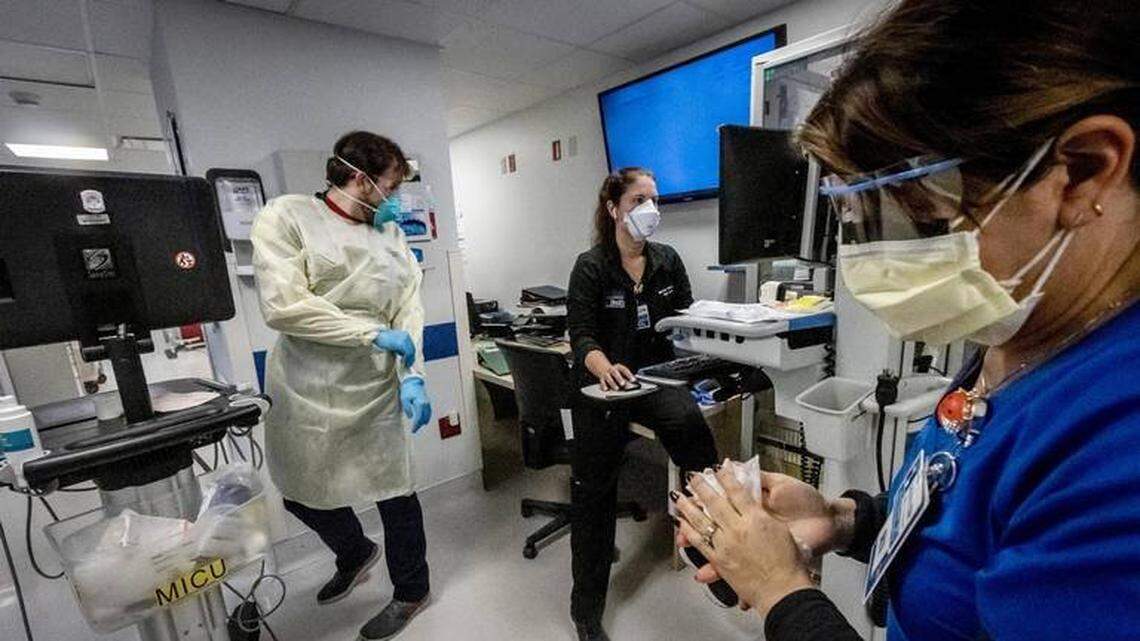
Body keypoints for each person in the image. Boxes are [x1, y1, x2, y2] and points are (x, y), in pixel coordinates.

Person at [672, 2, 1140, 640]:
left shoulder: (1117, 454)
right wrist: (846, 520)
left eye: (917, 211)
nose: (881, 258)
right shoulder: (1024, 334)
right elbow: (957, 513)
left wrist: (781, 593)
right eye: (859, 218)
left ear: (1085, 169)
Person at [251, 131, 434, 640]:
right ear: (360, 178)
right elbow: (285, 306)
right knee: (299, 489)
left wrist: (413, 374)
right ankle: (355, 553)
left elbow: (408, 306)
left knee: (396, 493)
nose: (393, 200)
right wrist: (371, 332)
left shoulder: (390, 235)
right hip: (308, 383)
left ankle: (411, 591)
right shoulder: (286, 217)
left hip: (375, 383)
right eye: (390, 187)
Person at [566, 167, 721, 641]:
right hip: (603, 385)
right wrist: (603, 365)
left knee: (701, 453)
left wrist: (711, 338)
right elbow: (582, 335)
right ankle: (585, 610)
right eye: (639, 200)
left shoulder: (667, 260)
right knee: (593, 495)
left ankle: (714, 554)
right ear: (614, 208)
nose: (650, 210)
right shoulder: (591, 266)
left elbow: (686, 317)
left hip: (654, 380)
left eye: (655, 199)